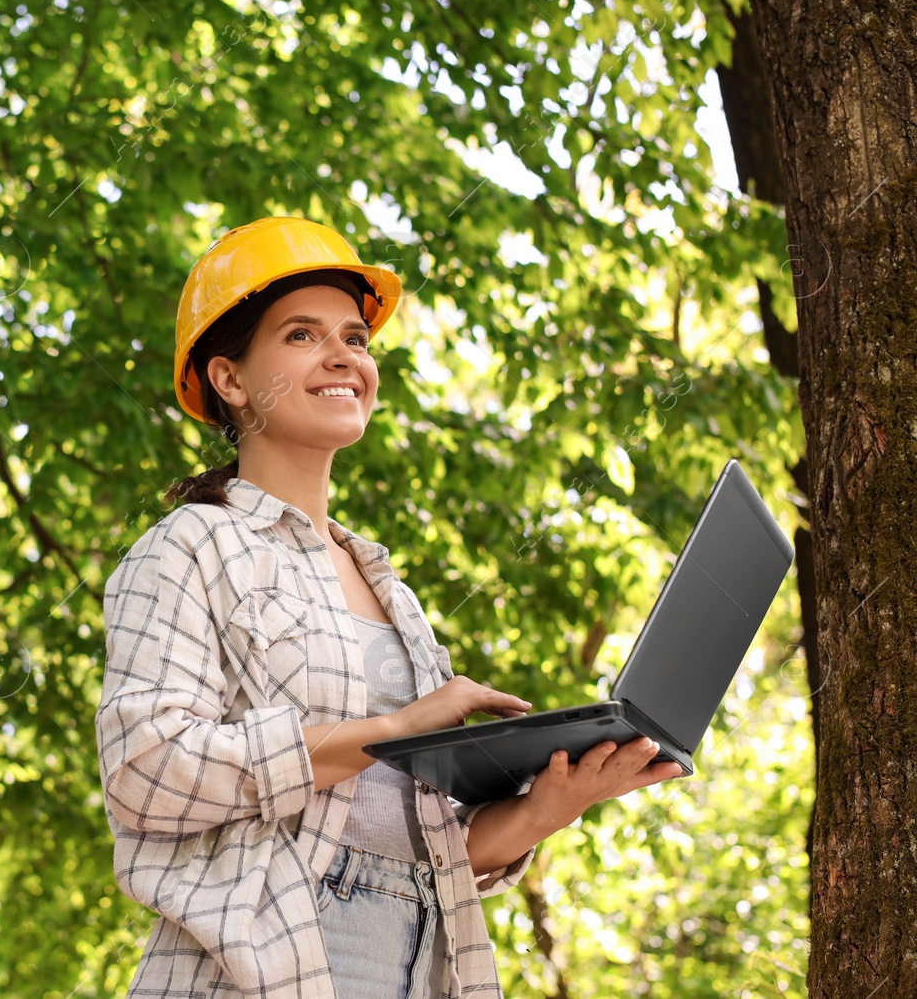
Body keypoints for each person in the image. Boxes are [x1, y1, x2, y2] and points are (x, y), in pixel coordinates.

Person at [95, 216, 684, 999]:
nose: (345, 356)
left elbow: (418, 854)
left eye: (356, 339)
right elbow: (145, 768)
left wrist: (552, 804)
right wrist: (388, 732)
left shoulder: (391, 593)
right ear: (229, 379)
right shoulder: (191, 548)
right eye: (302, 335)